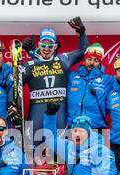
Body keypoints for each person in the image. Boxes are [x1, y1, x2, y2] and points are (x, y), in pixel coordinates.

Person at [19, 17, 89, 157]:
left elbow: (82, 50)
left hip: (58, 114)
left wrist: (81, 32)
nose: (46, 49)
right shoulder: (29, 64)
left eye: (50, 46)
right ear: (39, 45)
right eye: (43, 45)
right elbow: (15, 86)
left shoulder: (63, 59)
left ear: (55, 46)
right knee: (32, 155)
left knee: (60, 154)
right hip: (36, 114)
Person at [66, 43, 115, 131]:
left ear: (100, 64)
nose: (92, 63)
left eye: (96, 60)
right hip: (73, 127)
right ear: (84, 61)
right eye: (89, 59)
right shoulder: (71, 76)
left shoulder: (108, 80)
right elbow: (54, 66)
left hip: (97, 129)